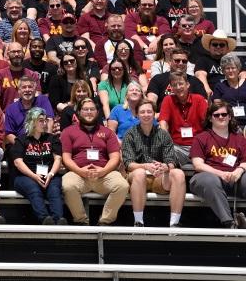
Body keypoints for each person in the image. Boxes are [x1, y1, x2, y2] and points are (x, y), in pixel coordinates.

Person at [61, 98, 129, 226]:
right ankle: (81, 221)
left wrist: (103, 171)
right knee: (67, 185)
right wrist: (80, 170)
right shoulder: (68, 131)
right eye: (85, 109)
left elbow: (115, 157)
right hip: (78, 174)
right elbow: (66, 158)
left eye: (92, 109)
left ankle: (105, 221)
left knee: (122, 185)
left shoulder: (107, 132)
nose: (89, 112)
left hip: (104, 174)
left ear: (97, 112)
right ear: (79, 112)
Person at [122, 99, 185, 227]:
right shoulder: (130, 134)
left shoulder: (164, 135)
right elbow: (128, 163)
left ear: (154, 113)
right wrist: (144, 166)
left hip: (159, 177)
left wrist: (165, 167)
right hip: (137, 178)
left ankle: (174, 224)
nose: (146, 115)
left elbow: (172, 161)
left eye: (149, 111)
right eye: (142, 112)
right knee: (139, 173)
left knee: (178, 173)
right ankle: (138, 222)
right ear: (137, 115)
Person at [190, 101, 246, 228]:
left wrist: (238, 171)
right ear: (210, 118)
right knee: (210, 180)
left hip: (234, 177)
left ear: (230, 116)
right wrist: (221, 174)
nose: (221, 117)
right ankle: (229, 222)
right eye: (216, 115)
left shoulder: (239, 139)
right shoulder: (201, 138)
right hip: (206, 177)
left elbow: (245, 161)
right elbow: (198, 165)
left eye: (224, 114)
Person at [10, 107, 65, 225]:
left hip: (49, 174)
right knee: (34, 189)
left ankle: (59, 219)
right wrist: (34, 176)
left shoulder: (52, 138)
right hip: (26, 176)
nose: (44, 123)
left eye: (45, 120)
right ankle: (45, 219)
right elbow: (18, 162)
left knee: (54, 190)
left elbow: (58, 158)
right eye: (40, 120)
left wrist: (51, 174)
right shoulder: (21, 140)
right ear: (32, 121)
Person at [158, 71, 209, 166]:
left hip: (198, 145)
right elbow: (163, 122)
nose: (178, 87)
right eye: (174, 85)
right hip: (177, 147)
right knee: (164, 154)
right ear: (171, 88)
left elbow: (208, 122)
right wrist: (166, 141)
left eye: (180, 84)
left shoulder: (199, 99)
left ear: (187, 84)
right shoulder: (168, 100)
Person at [211, 54, 246, 128]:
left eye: (233, 68)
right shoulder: (219, 86)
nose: (230, 71)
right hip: (229, 123)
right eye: (227, 68)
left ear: (238, 69)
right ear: (223, 71)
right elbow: (218, 107)